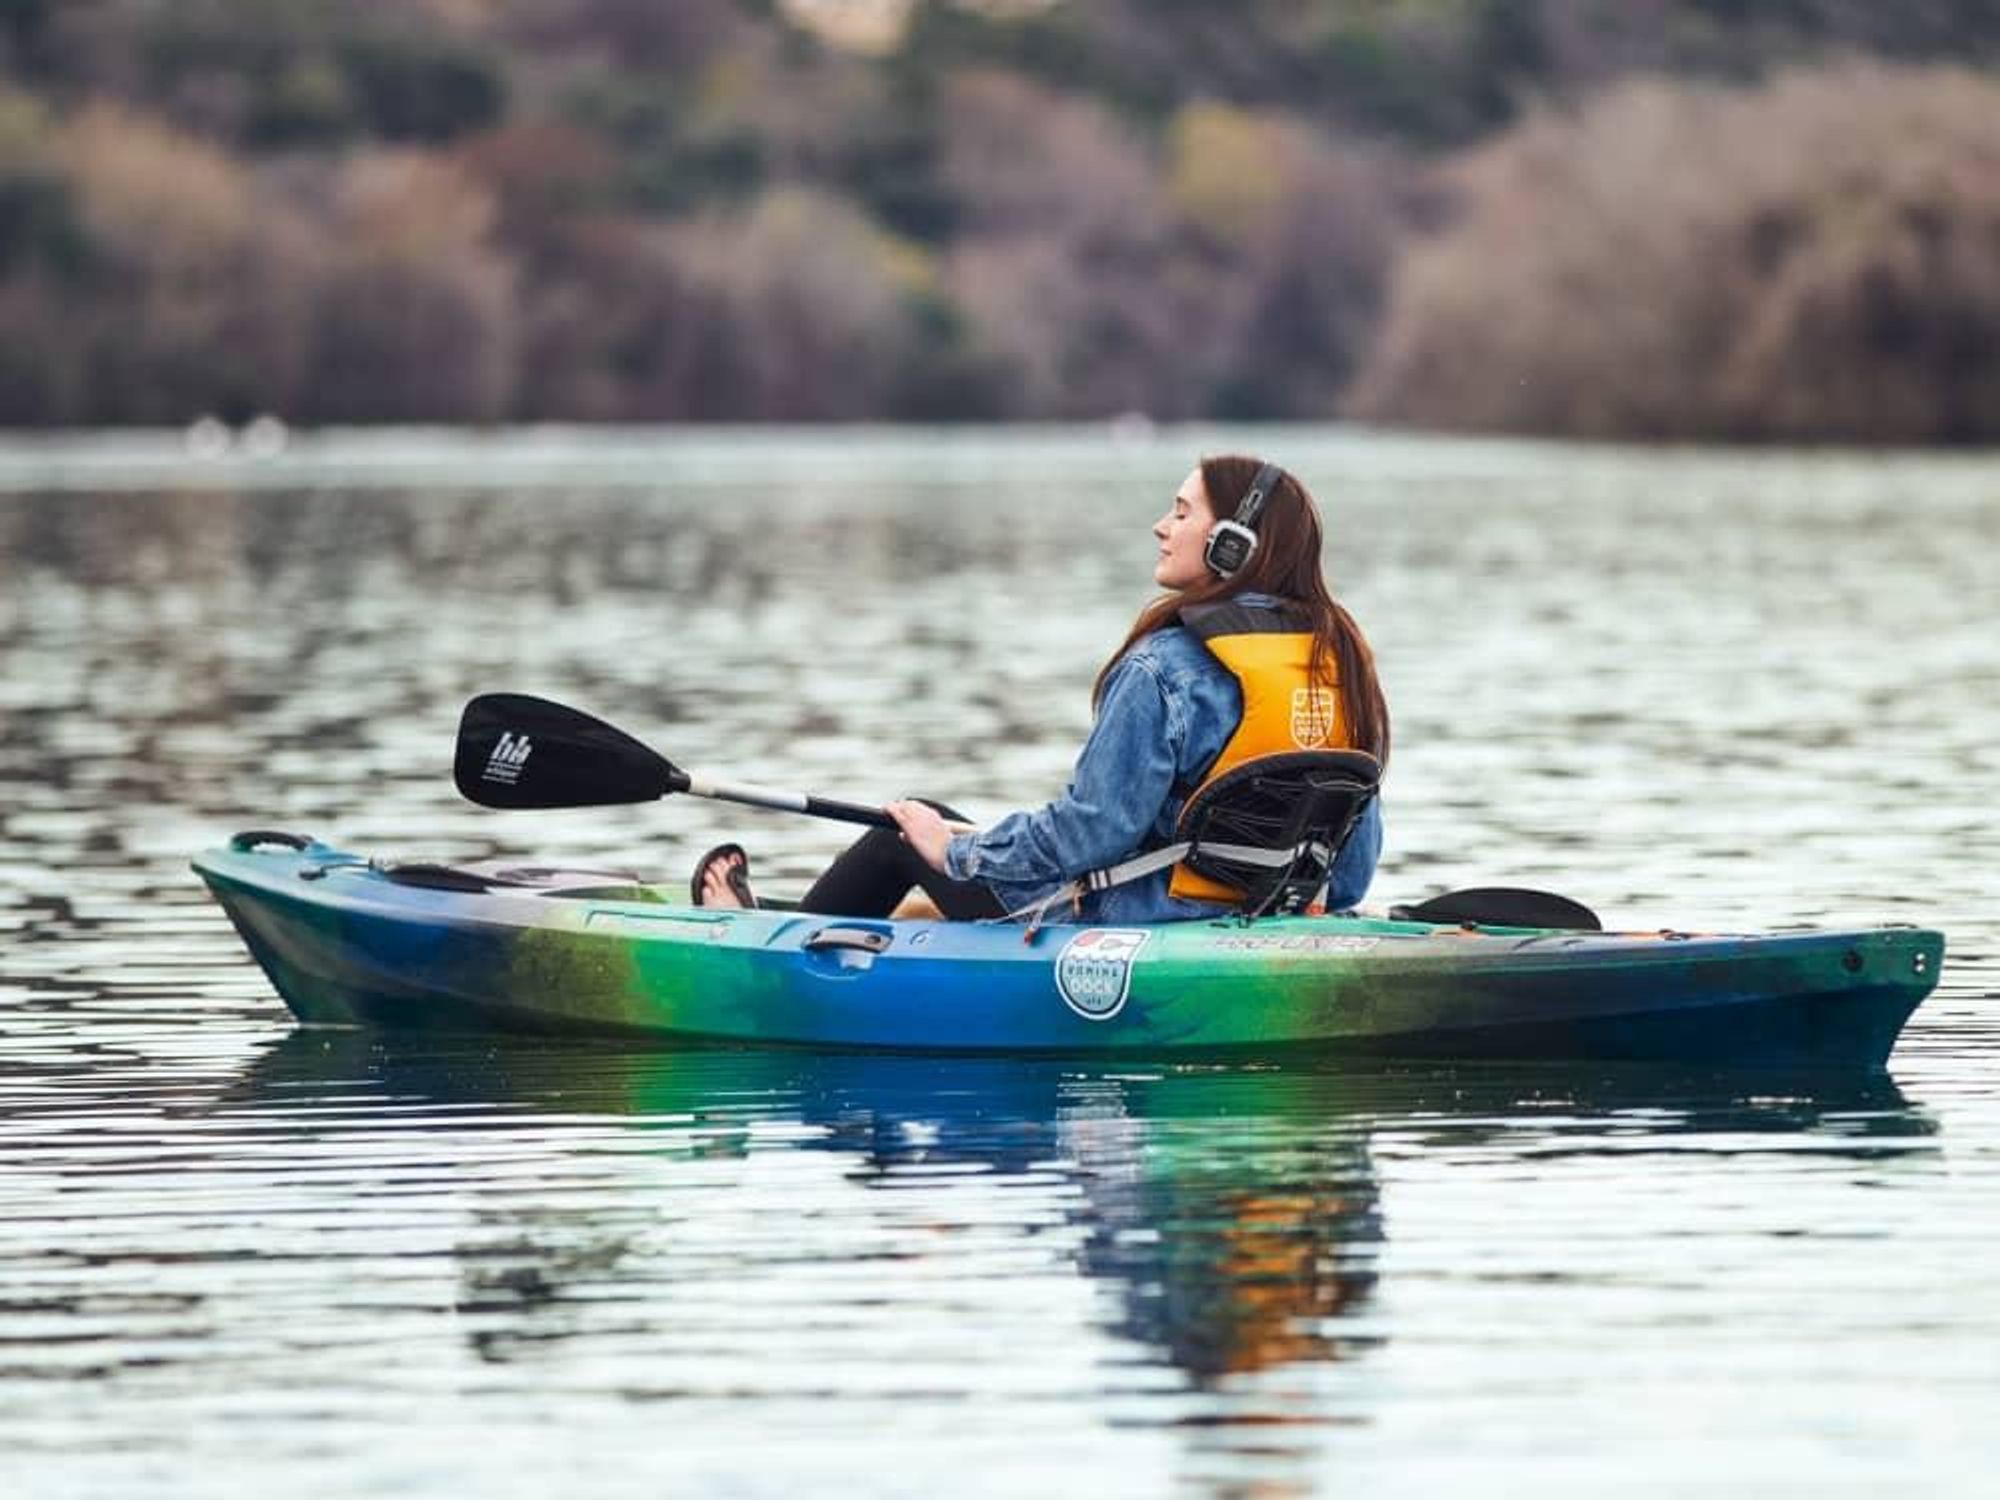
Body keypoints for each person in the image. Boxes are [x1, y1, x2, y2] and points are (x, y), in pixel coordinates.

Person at [693, 455, 1389, 922]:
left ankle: (762, 953)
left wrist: (952, 850)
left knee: (901, 831)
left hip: (1130, 921)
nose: (1160, 525)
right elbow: (1350, 877)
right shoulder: (1343, 664)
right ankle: (864, 916)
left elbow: (1091, 833)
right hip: (1262, 914)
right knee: (952, 851)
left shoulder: (1163, 668)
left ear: (1230, 546)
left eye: (1180, 512)